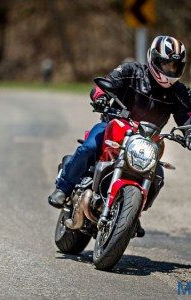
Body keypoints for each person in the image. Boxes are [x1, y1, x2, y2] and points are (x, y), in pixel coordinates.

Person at [48, 35, 191, 233]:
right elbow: (103, 85)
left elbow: (187, 116)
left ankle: (131, 213)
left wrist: (189, 131)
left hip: (149, 138)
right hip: (115, 125)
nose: (170, 70)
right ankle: (63, 188)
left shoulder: (179, 91)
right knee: (88, 148)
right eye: (166, 64)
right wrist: (100, 98)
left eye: (175, 66)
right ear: (154, 58)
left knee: (157, 175)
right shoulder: (131, 71)